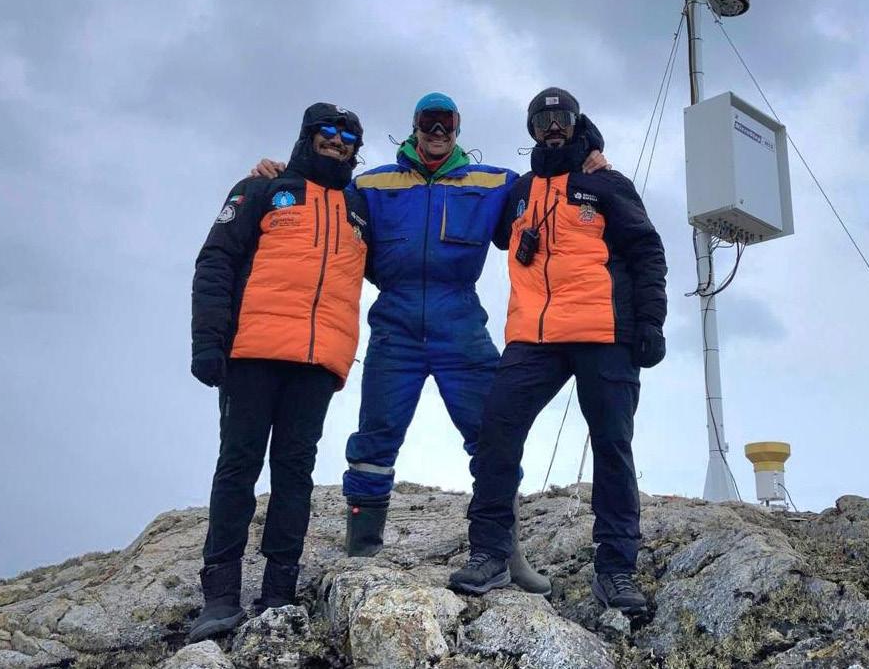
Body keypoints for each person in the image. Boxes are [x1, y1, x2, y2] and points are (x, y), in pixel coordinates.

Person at [251, 93, 606, 596]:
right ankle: (363, 549)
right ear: (414, 126)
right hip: (394, 326)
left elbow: (551, 185)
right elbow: (320, 191)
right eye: (428, 122)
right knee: (375, 438)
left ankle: (504, 553)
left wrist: (592, 159)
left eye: (447, 123)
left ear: (458, 128)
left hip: (460, 323)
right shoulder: (370, 185)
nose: (437, 130)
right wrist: (278, 173)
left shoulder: (496, 183)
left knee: (493, 439)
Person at [448, 88, 667, 617]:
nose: (552, 126)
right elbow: (474, 203)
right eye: (542, 118)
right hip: (534, 338)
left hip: (604, 333)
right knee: (496, 431)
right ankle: (490, 553)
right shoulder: (519, 191)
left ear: (576, 124)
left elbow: (646, 251)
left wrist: (651, 324)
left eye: (562, 118)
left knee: (612, 447)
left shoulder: (606, 183)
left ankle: (615, 570)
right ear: (531, 128)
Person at [188, 103, 369, 642]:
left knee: (295, 473)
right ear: (307, 137)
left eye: (348, 137)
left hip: (319, 361)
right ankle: (219, 595)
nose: (338, 142)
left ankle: (278, 590)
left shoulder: (360, 209)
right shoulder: (262, 189)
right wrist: (207, 341)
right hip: (253, 352)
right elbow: (216, 260)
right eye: (328, 133)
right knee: (238, 466)